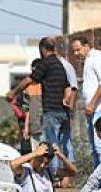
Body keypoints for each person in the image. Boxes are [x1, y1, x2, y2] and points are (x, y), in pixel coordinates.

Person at [8, 38, 72, 169]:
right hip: (63, 112)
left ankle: (52, 175)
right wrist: (66, 100)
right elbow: (68, 87)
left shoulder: (46, 63)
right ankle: (61, 175)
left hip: (51, 111)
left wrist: (13, 93)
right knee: (60, 145)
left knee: (51, 146)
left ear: (42, 49)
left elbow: (29, 79)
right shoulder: (60, 65)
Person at [71, 36, 101, 168]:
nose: (76, 53)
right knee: (95, 149)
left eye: (78, 50)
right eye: (74, 51)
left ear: (86, 46)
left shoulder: (98, 57)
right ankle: (100, 180)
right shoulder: (88, 60)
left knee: (100, 147)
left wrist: (92, 104)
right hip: (95, 110)